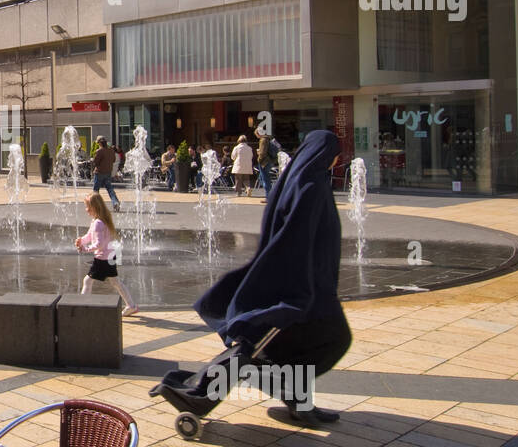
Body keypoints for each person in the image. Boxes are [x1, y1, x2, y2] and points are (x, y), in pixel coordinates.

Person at [176, 130, 352, 425]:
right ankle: (285, 388)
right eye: (336, 152)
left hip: (305, 282)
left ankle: (299, 401)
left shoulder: (298, 179)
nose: (337, 159)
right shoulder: (310, 184)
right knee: (334, 339)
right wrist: (298, 287)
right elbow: (295, 238)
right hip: (305, 285)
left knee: (297, 342)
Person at [74, 193, 138, 317]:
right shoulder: (100, 220)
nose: (86, 210)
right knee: (115, 282)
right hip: (110, 256)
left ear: (94, 207)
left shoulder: (98, 223)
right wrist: (81, 240)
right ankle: (131, 305)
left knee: (88, 280)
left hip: (102, 258)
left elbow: (99, 244)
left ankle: (81, 307)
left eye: (87, 207)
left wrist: (85, 249)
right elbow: (90, 236)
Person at [90, 136, 121, 212]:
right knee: (110, 189)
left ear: (100, 143)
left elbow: (95, 162)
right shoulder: (111, 150)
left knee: (96, 190)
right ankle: (115, 202)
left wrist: (93, 160)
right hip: (108, 172)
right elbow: (113, 160)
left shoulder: (99, 151)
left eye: (98, 143)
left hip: (99, 172)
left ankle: (96, 206)